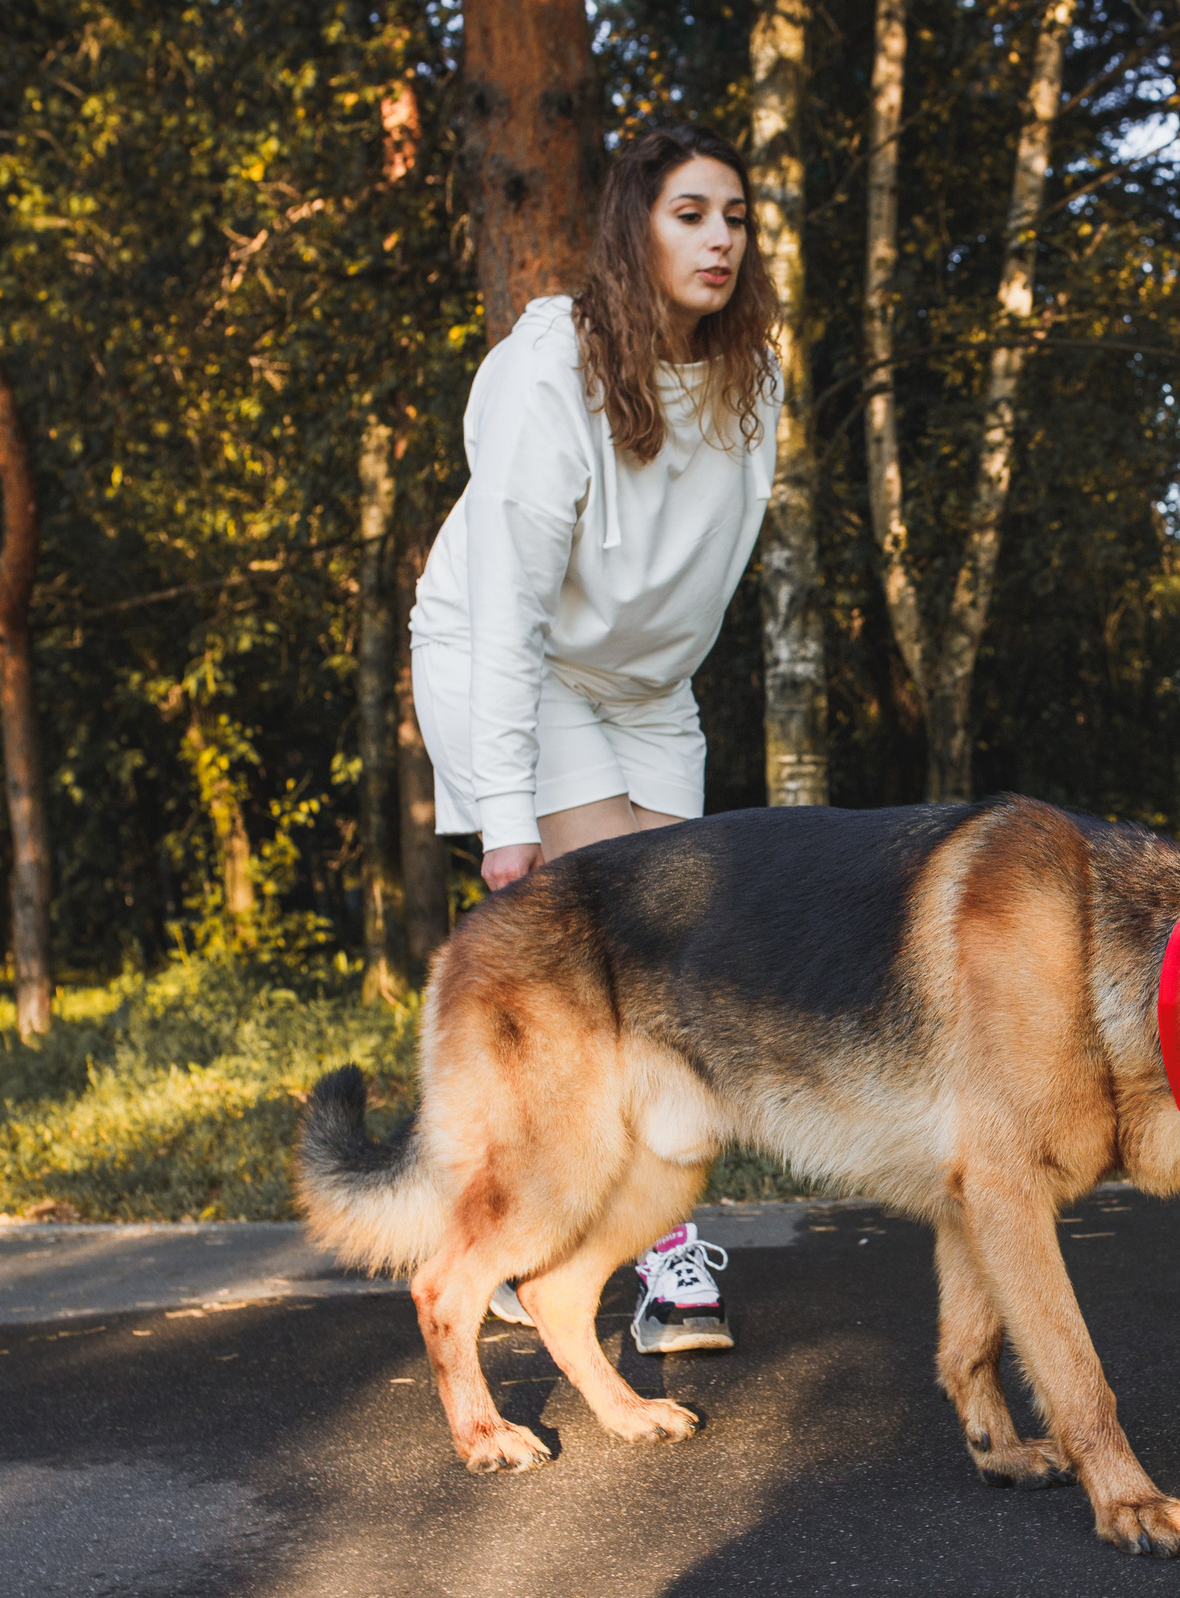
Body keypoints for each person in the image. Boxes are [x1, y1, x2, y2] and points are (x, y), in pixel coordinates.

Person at [406, 124, 775, 1356]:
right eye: (689, 213)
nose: (720, 236)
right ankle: (656, 1258)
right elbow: (508, 607)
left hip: (644, 691)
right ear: (634, 227)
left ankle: (556, 1239)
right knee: (625, 954)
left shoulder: (748, 380)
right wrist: (508, 817)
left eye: (733, 215)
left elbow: (690, 578)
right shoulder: (550, 369)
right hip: (510, 659)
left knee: (693, 958)